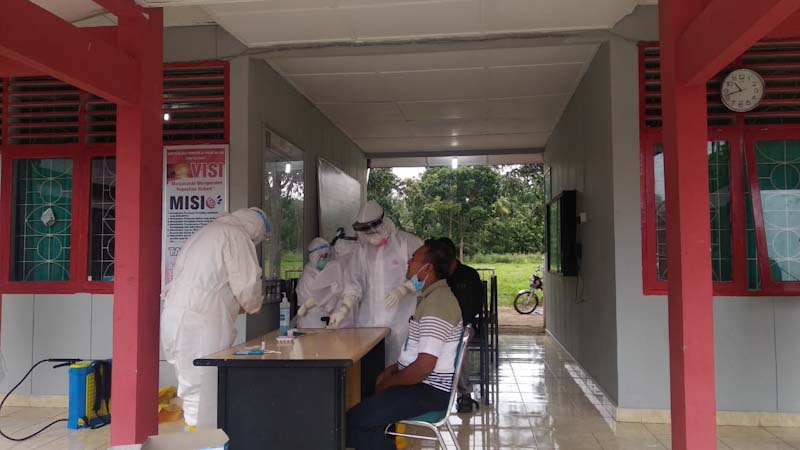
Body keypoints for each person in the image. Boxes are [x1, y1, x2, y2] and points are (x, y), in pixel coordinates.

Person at [345, 239, 464, 450]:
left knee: (352, 424)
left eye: (414, 258)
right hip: (423, 386)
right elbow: (418, 356)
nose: (409, 262)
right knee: (364, 412)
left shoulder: (437, 304)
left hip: (428, 392)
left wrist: (390, 383)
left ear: (427, 268)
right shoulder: (432, 297)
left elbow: (424, 367)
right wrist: (394, 369)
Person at [160, 207, 269, 431]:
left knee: (189, 384)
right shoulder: (236, 235)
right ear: (255, 228)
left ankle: (196, 435)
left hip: (174, 314)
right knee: (206, 384)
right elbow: (247, 284)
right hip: (200, 320)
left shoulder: (205, 233)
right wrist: (254, 305)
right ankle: (205, 441)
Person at [331, 201, 423, 366]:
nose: (371, 236)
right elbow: (354, 285)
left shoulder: (406, 243)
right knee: (370, 369)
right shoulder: (362, 251)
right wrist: (343, 310)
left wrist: (404, 289)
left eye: (373, 230)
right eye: (366, 232)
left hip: (402, 322)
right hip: (370, 322)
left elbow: (428, 272)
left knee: (399, 367)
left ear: (383, 222)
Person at [438, 237, 484, 413]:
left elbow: (474, 307)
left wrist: (455, 324)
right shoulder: (438, 276)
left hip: (464, 325)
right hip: (439, 325)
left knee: (459, 343)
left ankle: (464, 394)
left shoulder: (469, 275)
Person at [295, 237, 333, 328]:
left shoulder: (319, 273)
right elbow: (323, 297)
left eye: (327, 256)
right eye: (323, 256)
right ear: (314, 257)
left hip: (321, 321)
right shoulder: (309, 276)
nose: (325, 259)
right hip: (311, 322)